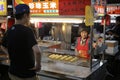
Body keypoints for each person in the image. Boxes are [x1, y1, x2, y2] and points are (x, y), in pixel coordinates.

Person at [1, 4, 41, 80]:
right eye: (29, 15)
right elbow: (37, 51)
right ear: (25, 15)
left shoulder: (9, 30)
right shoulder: (27, 31)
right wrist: (38, 65)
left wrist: (9, 54)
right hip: (27, 75)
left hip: (13, 73)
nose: (29, 18)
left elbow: (2, 46)